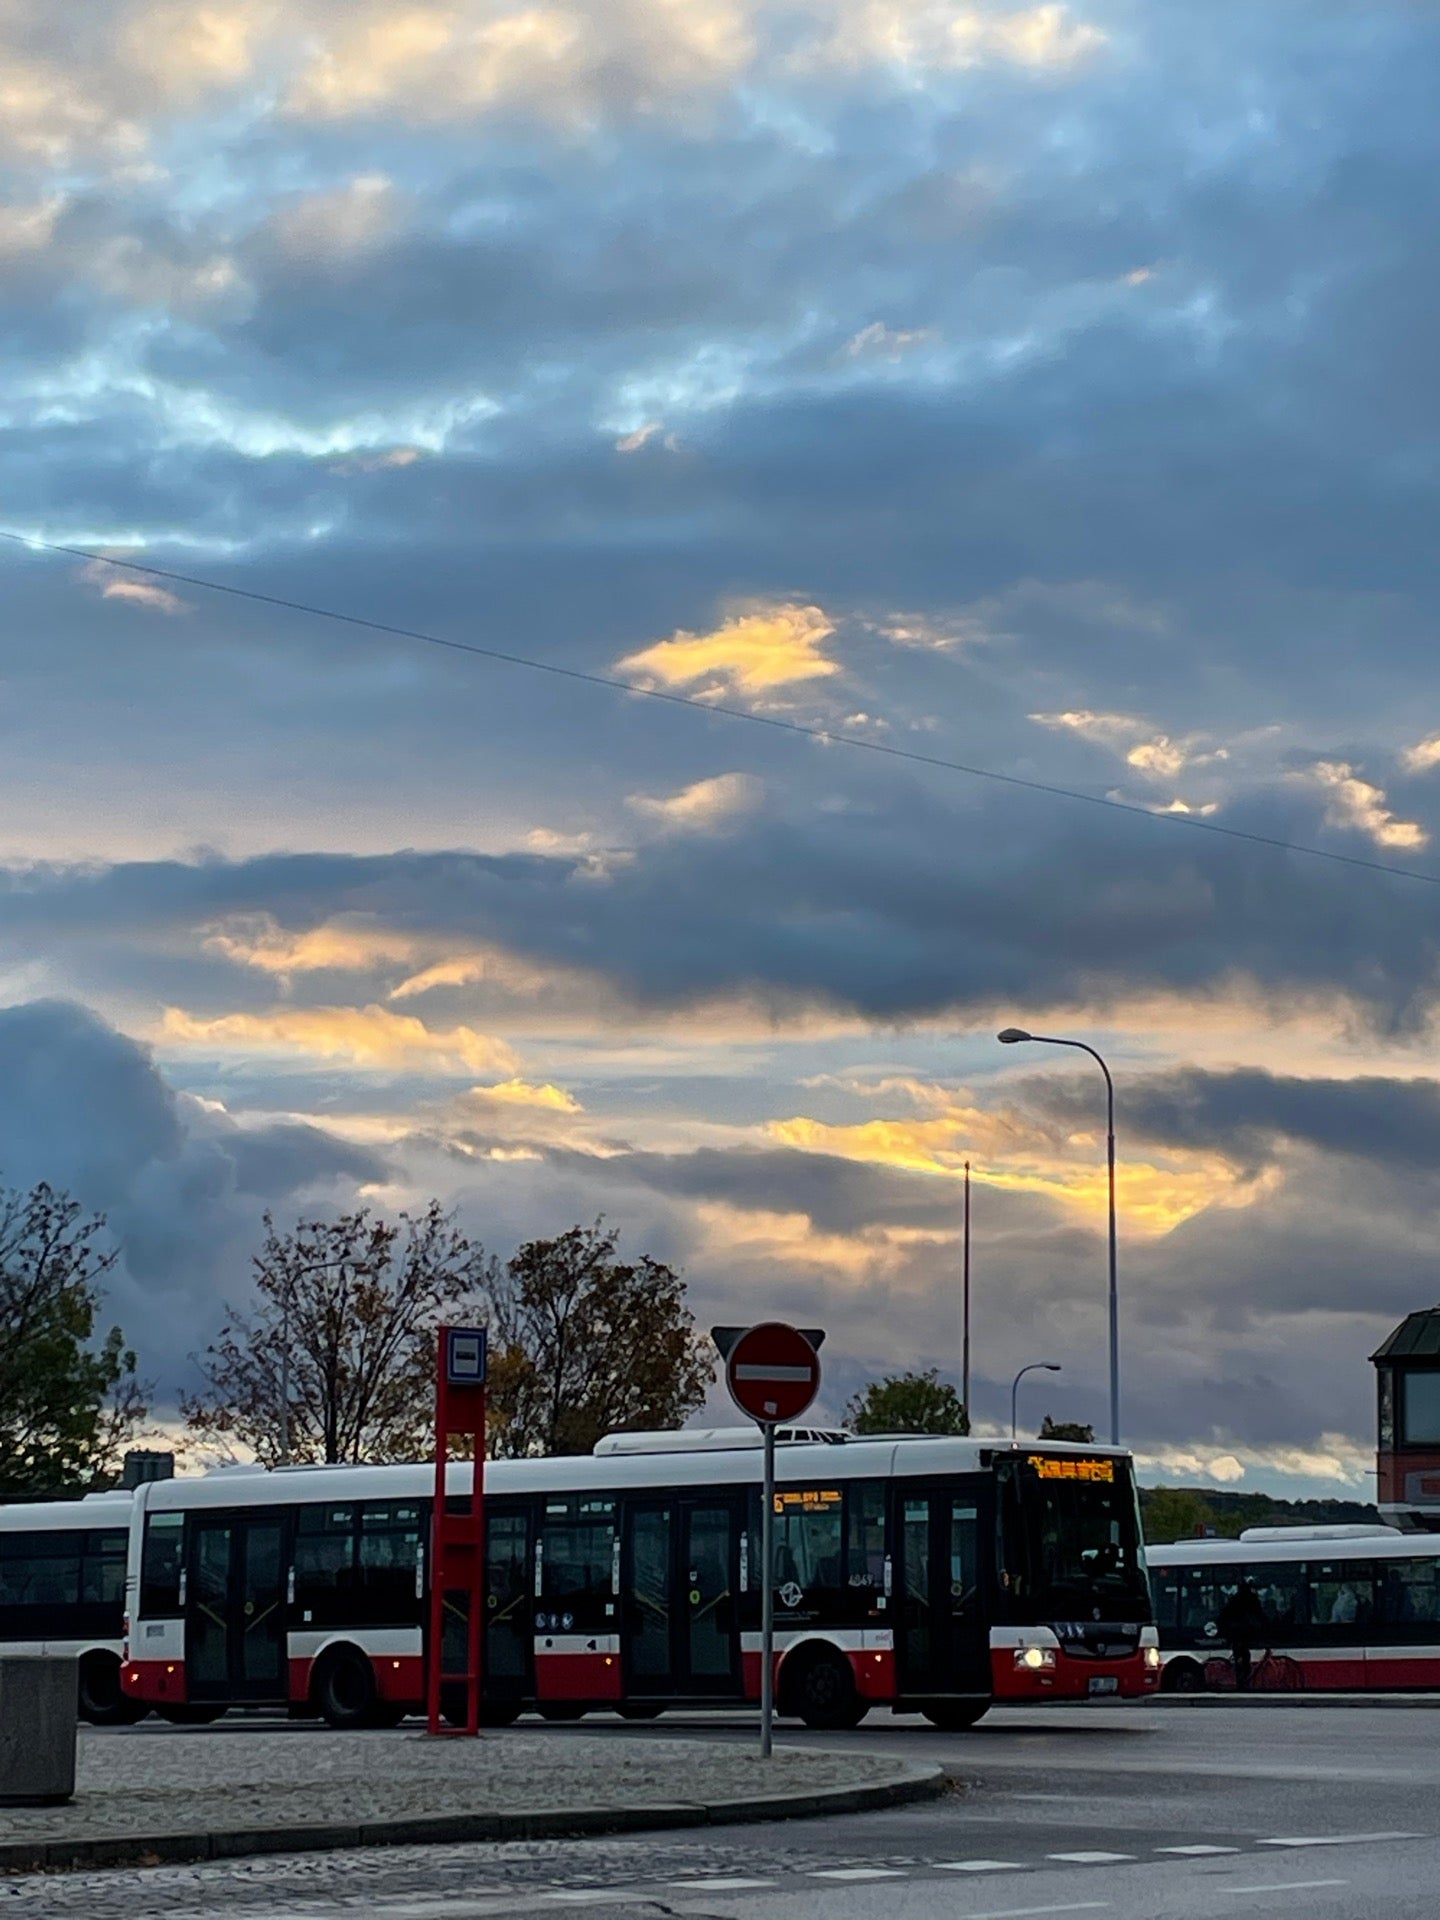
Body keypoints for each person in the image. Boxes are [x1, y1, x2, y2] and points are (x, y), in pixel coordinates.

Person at [1217, 1579, 1267, 1691]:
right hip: (1239, 1631)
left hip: (1233, 1630)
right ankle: (1242, 1680)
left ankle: (1241, 1678)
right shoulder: (1250, 1598)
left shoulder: (1235, 1598)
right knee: (1244, 1654)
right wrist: (1266, 1624)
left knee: (1241, 1652)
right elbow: (1258, 1613)